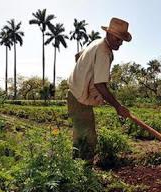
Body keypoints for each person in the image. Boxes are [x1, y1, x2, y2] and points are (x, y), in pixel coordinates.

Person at [67, 17, 132, 164]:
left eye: (122, 40)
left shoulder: (96, 42)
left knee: (81, 135)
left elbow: (78, 56)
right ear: (109, 34)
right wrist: (118, 106)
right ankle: (83, 176)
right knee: (88, 139)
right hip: (79, 98)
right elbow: (100, 85)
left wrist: (82, 74)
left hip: (74, 92)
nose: (120, 43)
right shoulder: (104, 52)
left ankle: (78, 171)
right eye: (117, 39)